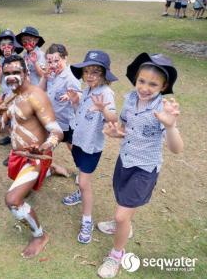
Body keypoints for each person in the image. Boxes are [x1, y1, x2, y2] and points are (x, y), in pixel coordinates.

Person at [96, 53, 183, 278]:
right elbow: (124, 127)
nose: (145, 87)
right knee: (120, 201)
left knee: (121, 215)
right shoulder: (130, 99)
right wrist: (116, 133)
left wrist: (171, 126)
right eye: (141, 81)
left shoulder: (162, 109)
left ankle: (116, 255)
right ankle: (124, 226)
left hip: (144, 169)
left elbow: (176, 149)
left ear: (164, 86)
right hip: (125, 161)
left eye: (153, 84)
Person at [0, 55, 63, 259]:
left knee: (13, 200)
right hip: (18, 155)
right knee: (25, 190)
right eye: (7, 73)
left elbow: (57, 132)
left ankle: (39, 236)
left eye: (16, 72)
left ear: (25, 73)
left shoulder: (36, 96)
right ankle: (50, 171)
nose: (11, 77)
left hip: (35, 157)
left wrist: (44, 148)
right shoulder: (9, 97)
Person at [62, 50, 118, 244]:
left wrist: (104, 109)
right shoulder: (86, 90)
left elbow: (113, 118)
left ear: (104, 74)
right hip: (79, 140)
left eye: (95, 72)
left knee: (85, 182)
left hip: (91, 146)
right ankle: (79, 193)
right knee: (80, 173)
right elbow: (81, 112)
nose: (89, 76)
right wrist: (76, 102)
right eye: (86, 71)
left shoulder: (106, 93)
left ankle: (87, 220)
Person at [38, 43, 81, 179]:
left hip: (68, 121)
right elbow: (39, 90)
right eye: (50, 61)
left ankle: (81, 172)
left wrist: (71, 96)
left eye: (57, 60)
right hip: (52, 120)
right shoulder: (49, 74)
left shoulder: (70, 77)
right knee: (47, 146)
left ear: (65, 58)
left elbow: (79, 96)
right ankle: (46, 168)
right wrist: (44, 76)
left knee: (73, 147)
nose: (53, 64)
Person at [0, 30, 23, 152]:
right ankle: (10, 137)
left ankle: (16, 148)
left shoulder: (18, 58)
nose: (6, 47)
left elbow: (20, 78)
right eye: (3, 45)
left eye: (9, 44)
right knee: (7, 119)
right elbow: (1, 81)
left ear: (14, 46)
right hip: (5, 93)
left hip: (15, 95)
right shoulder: (1, 59)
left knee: (16, 120)